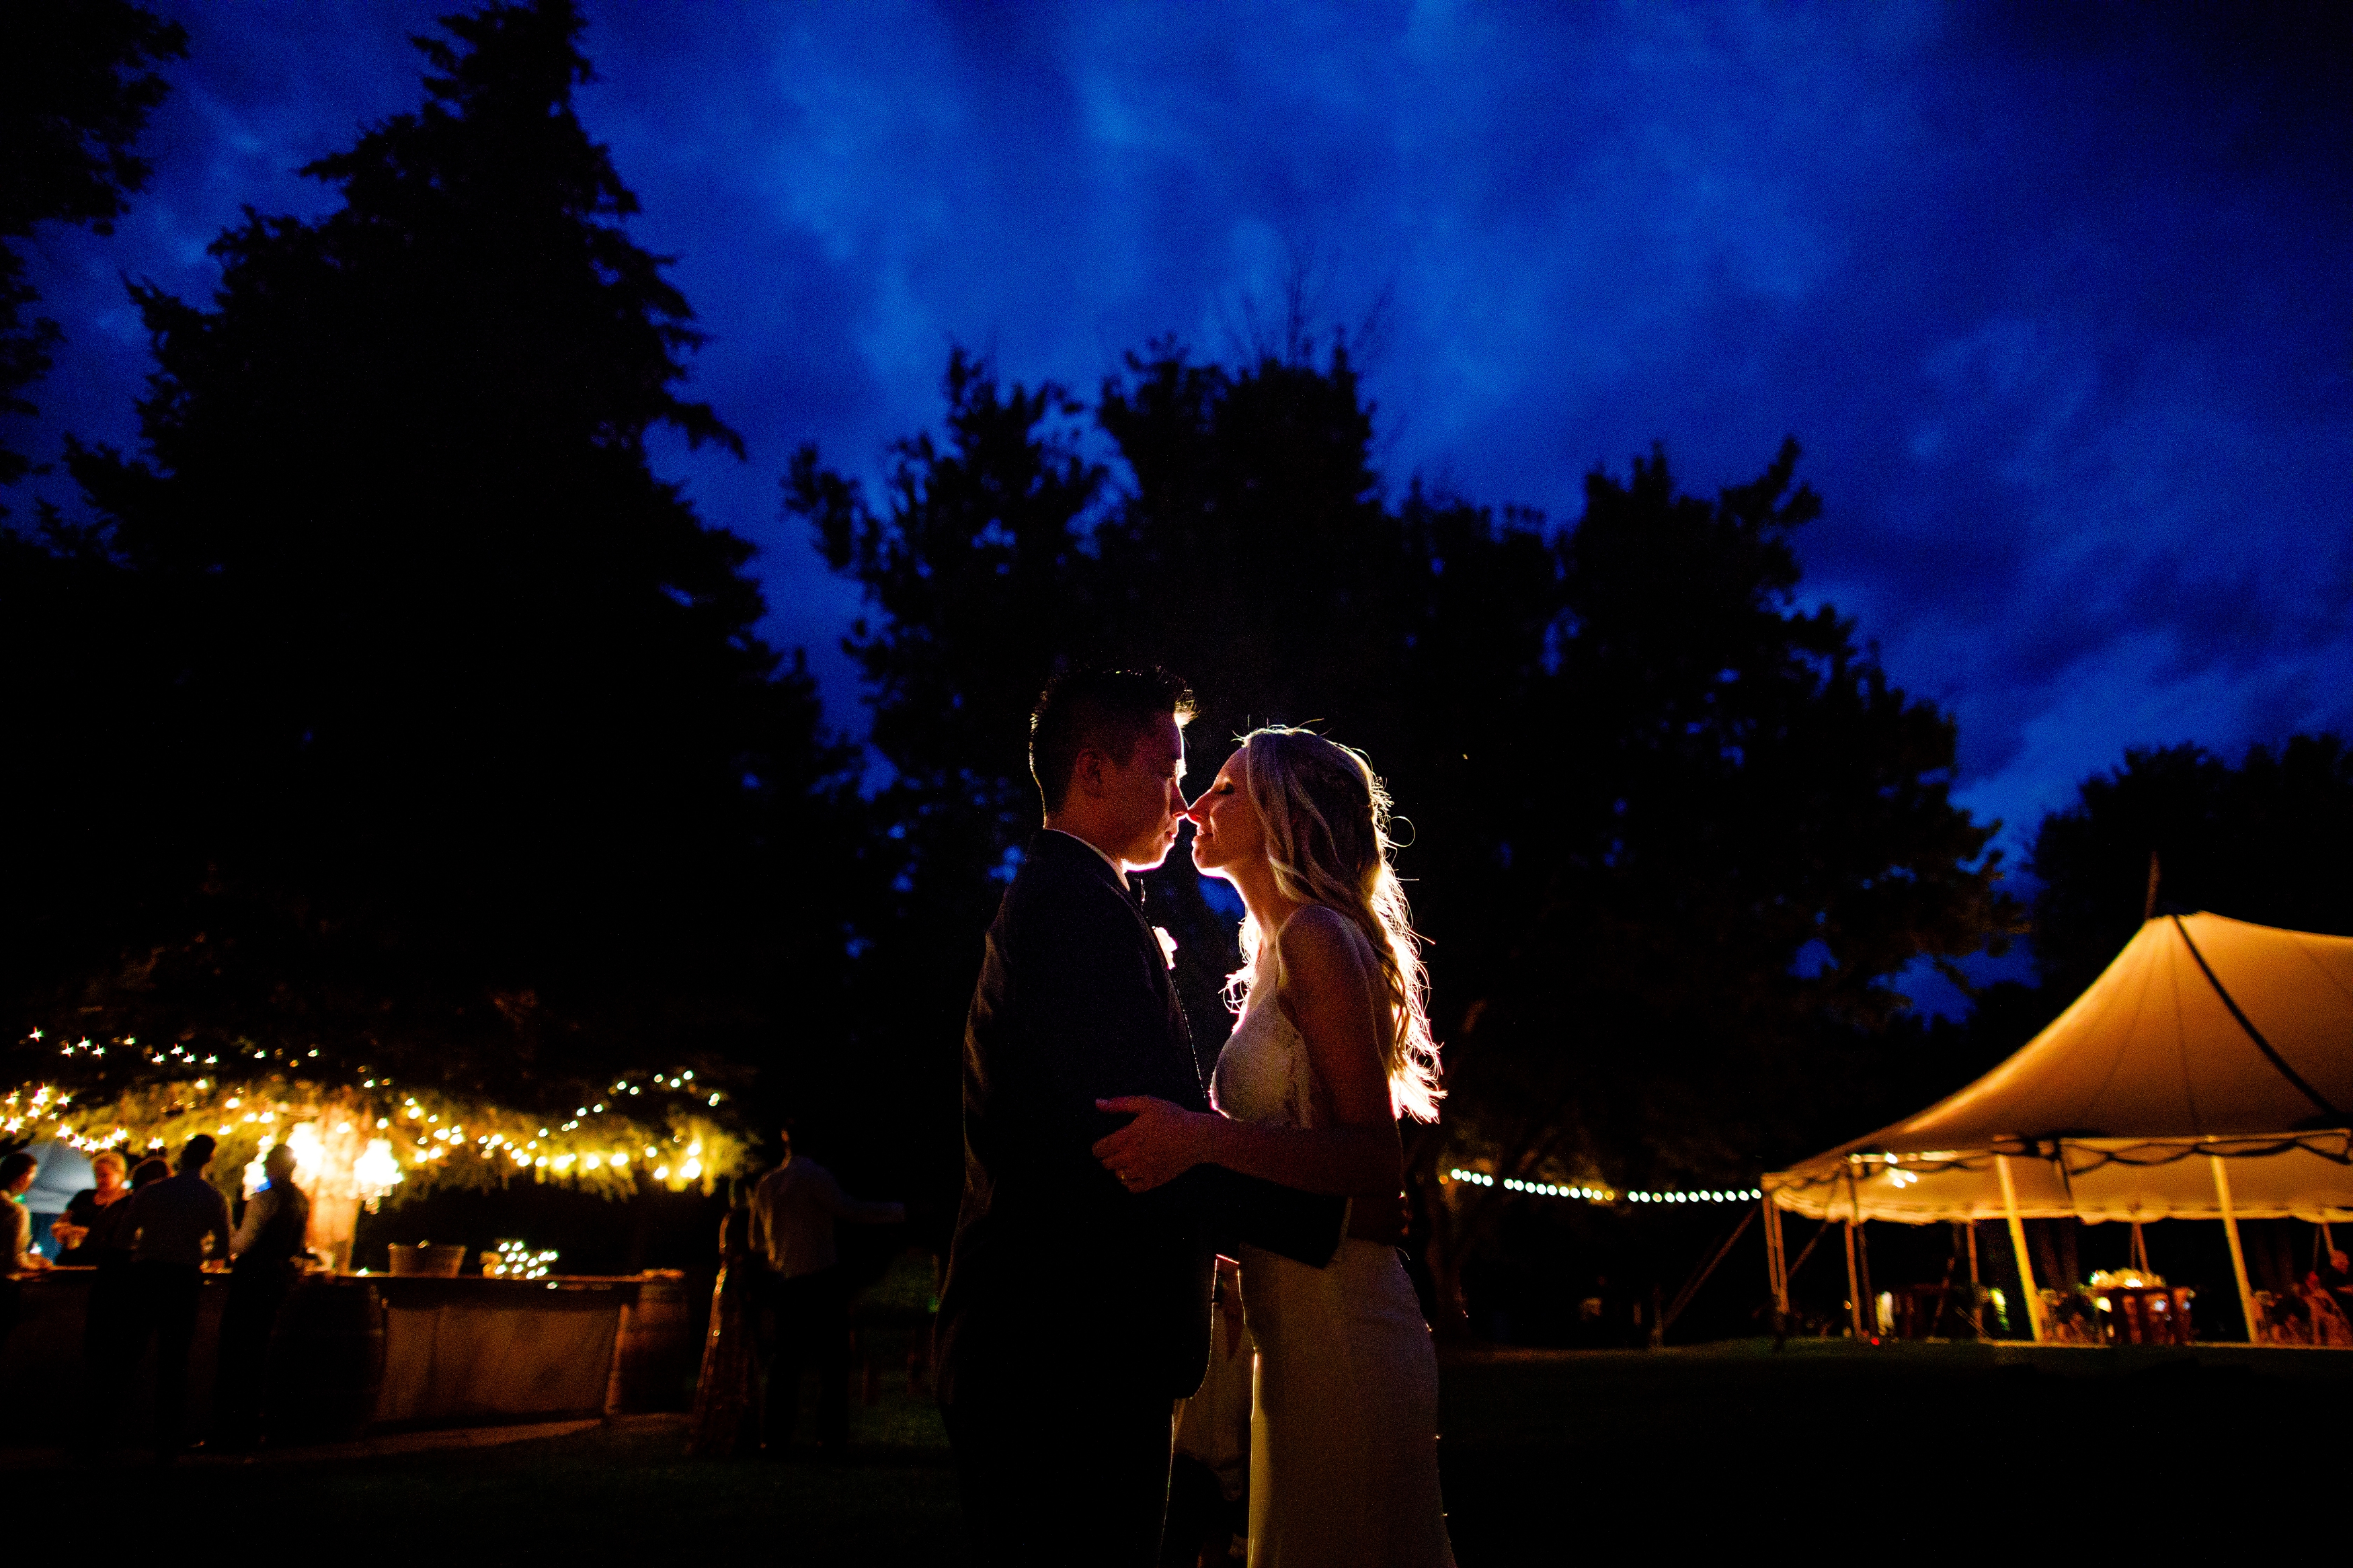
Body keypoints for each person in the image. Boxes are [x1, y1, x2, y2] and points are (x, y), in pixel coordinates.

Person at [936, 667, 1350, 1567]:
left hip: (1069, 1353)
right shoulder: (1069, 912)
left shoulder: (1083, 902)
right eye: (1166, 772)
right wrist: (1322, 1223)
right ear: (1092, 772)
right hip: (1059, 1362)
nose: (1183, 799)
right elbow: (1132, 1139)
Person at [1094, 727, 1455, 1567]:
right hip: (1284, 1329)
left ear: (1284, 818)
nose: (1193, 807)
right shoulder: (1272, 955)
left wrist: (1201, 1139)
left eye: (1224, 789)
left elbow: (1372, 1163)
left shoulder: (1319, 940)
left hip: (1343, 1328)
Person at [746, 1124, 904, 1453]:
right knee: (833, 1361)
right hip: (820, 1279)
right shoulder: (815, 1176)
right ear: (816, 1143)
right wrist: (899, 1211)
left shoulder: (767, 1183)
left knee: (784, 1362)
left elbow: (756, 1241)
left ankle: (774, 1437)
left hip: (784, 1281)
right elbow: (849, 1209)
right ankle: (830, 1437)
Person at [126, 1134, 234, 1458]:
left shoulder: (152, 1191)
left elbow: (124, 1236)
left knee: (128, 1351)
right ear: (210, 1160)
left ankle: (108, 1430)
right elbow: (225, 1247)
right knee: (174, 1359)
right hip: (185, 1278)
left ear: (181, 1155)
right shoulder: (214, 1197)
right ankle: (167, 1436)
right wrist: (200, 1250)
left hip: (147, 1274)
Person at [213, 1142, 312, 1448]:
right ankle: (252, 1426)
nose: (266, 1166)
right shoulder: (302, 1200)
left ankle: (230, 1430)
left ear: (275, 1166)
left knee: (236, 1351)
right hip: (278, 1279)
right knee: (260, 1351)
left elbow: (243, 1244)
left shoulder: (264, 1198)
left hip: (252, 1279)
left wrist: (222, 1235)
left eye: (269, 1162)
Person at [686, 1183, 762, 1458]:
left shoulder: (731, 1219)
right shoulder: (741, 1220)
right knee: (735, 1356)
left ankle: (728, 1425)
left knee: (728, 1357)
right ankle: (732, 1427)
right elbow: (741, 1256)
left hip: (728, 1289)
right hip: (736, 1292)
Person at [2, 1149, 54, 1353]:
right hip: (4, 1286)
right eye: (31, 1176)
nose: (31, 1183)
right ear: (23, 1176)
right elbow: (13, 1260)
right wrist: (37, 1264)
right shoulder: (16, 1211)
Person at [49, 1149, 132, 1264]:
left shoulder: (129, 1200)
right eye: (96, 1175)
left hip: (106, 1263)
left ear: (120, 1174)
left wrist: (89, 1234)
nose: (99, 1180)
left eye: (104, 1175)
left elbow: (128, 1237)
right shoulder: (84, 1196)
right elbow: (60, 1223)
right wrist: (62, 1231)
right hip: (72, 1259)